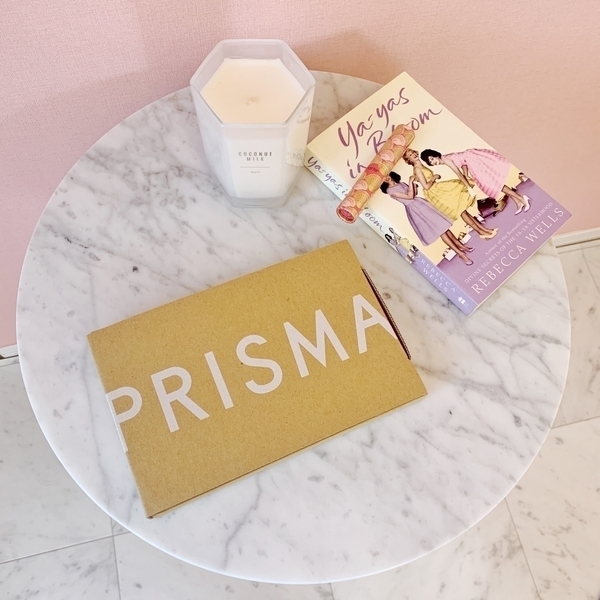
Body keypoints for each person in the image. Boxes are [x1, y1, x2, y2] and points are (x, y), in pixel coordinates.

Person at [380, 172, 474, 265]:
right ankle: (461, 254)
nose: (386, 177)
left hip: (421, 204)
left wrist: (413, 185)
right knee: (440, 231)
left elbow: (414, 194)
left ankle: (461, 246)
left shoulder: (400, 183)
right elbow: (409, 196)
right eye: (383, 177)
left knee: (443, 227)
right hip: (415, 210)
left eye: (386, 174)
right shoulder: (390, 191)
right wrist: (410, 182)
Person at [403, 148, 497, 239]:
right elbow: (426, 186)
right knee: (461, 212)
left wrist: (434, 178)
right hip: (436, 193)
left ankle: (484, 230)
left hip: (438, 189)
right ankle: (481, 232)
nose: (413, 154)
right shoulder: (417, 169)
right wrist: (434, 177)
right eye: (410, 155)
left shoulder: (420, 166)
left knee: (463, 210)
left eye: (413, 152)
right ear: (409, 160)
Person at [420, 148, 530, 214]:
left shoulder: (446, 160)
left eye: (432, 159)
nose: (433, 162)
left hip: (473, 159)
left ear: (435, 155)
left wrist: (468, 187)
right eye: (430, 162)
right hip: (470, 159)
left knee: (492, 183)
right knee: (494, 184)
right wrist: (466, 175)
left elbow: (459, 174)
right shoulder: (445, 158)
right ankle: (518, 201)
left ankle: (521, 198)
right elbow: (462, 163)